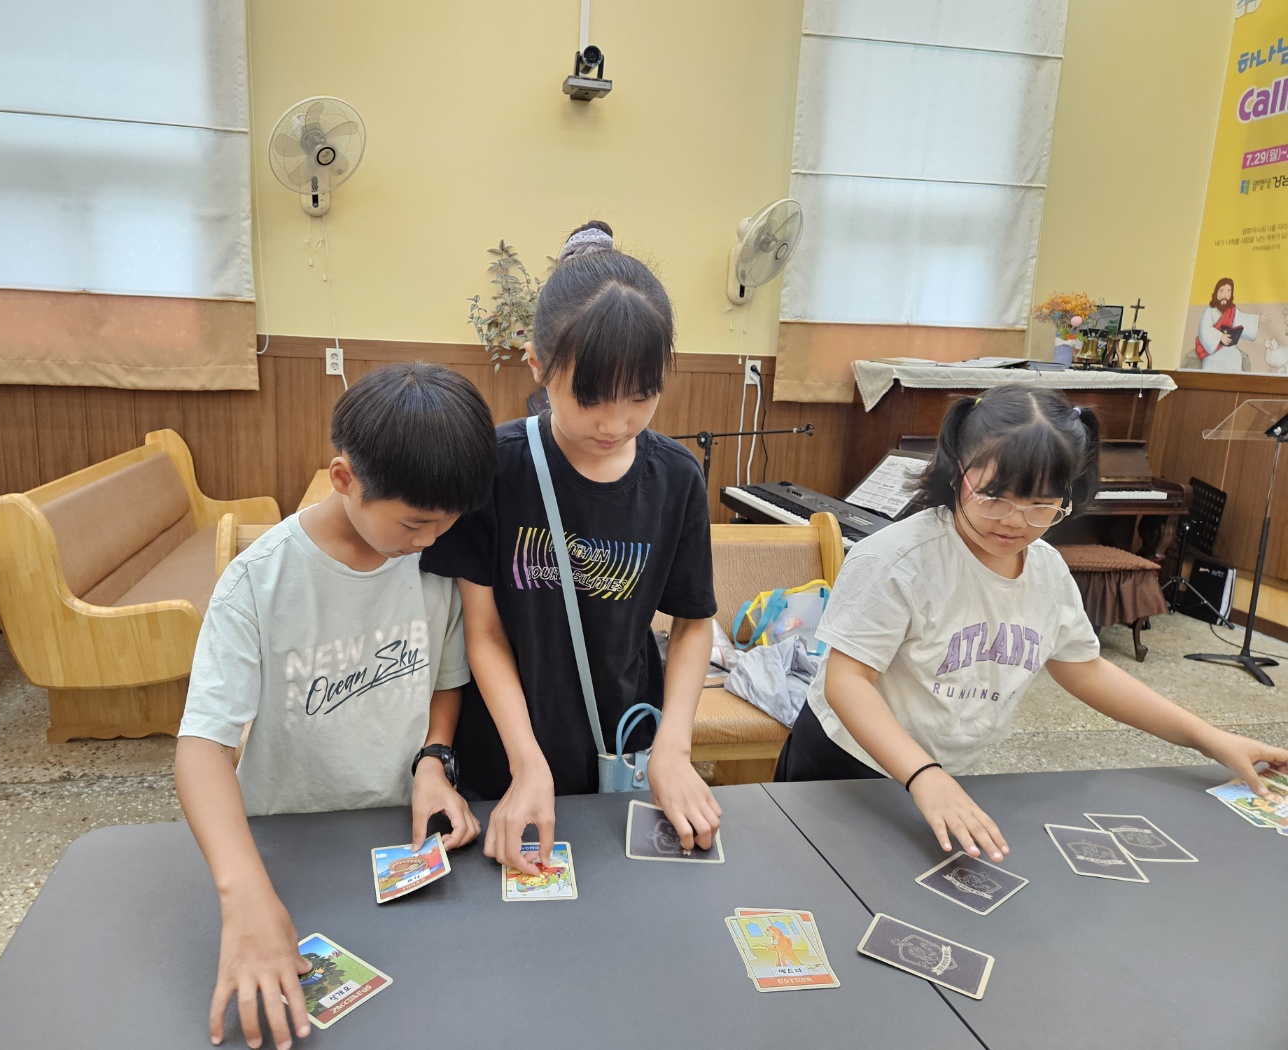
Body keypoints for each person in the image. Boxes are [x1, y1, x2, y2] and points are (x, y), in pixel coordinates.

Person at [774, 384, 1288, 862]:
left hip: (942, 775)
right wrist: (923, 774)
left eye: (1042, 504)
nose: (1015, 521)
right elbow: (847, 681)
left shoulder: (1046, 570)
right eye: (993, 496)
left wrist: (1209, 738)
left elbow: (1085, 669)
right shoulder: (898, 559)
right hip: (848, 764)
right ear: (957, 472)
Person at [174, 362, 497, 1050]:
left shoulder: (434, 564)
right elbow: (202, 746)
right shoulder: (259, 582)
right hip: (288, 842)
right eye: (415, 523)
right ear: (344, 478)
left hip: (396, 835)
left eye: (445, 525)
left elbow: (447, 681)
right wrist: (243, 894)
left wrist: (433, 761)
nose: (429, 541)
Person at [421, 220, 722, 875]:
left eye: (640, 396)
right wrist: (527, 762)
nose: (614, 423)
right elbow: (483, 633)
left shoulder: (676, 479)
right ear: (538, 365)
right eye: (590, 399)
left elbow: (693, 621)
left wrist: (673, 748)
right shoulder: (497, 467)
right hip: (506, 751)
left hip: (620, 746)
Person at [1190, 276, 1259, 373]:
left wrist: (1259, 319)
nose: (1225, 295)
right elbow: (1204, 330)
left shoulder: (1232, 311)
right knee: (1213, 362)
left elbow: (1243, 321)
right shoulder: (1209, 311)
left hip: (1228, 348)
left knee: (1235, 356)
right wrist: (1220, 337)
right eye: (1222, 291)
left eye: (1228, 291)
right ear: (1216, 293)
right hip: (1212, 349)